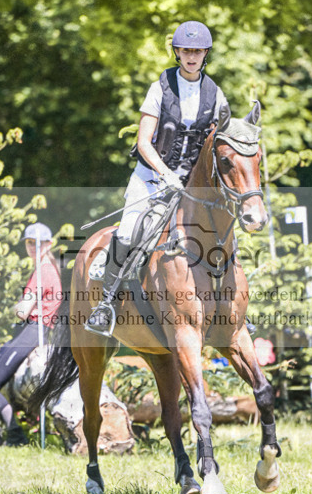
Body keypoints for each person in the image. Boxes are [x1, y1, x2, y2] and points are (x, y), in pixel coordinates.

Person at [85, 20, 229, 336]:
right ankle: (105, 304)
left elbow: (219, 143)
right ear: (177, 52)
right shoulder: (160, 87)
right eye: (186, 50)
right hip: (152, 176)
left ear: (205, 54)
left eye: (198, 51)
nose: (192, 56)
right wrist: (165, 174)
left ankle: (231, 306)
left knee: (221, 231)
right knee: (128, 232)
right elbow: (143, 142)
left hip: (192, 185)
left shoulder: (215, 94)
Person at [0, 223, 62, 444]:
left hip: (35, 331)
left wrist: (20, 307)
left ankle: (15, 435)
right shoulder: (46, 267)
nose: (33, 247)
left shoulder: (43, 271)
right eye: (30, 243)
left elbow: (22, 311)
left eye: (38, 243)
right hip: (31, 330)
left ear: (49, 244)